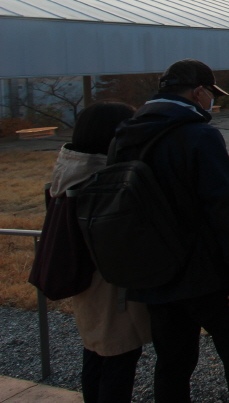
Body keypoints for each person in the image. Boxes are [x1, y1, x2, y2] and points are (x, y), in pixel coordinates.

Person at [112, 59, 229, 403]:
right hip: (206, 272)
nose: (210, 102)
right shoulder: (199, 135)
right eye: (210, 95)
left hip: (153, 270)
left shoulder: (125, 134)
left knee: (171, 362)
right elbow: (224, 206)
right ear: (199, 92)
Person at [50, 101, 151, 403]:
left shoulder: (69, 170)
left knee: (96, 354)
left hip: (85, 281)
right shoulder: (101, 179)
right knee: (118, 360)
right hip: (109, 285)